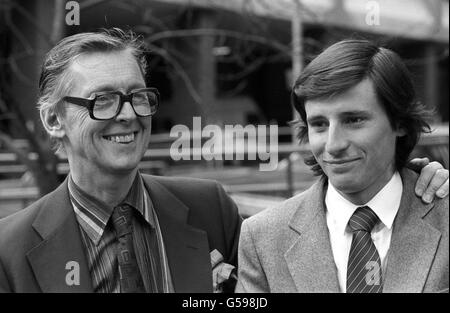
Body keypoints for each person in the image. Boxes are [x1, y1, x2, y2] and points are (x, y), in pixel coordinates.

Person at [0, 29, 241, 293]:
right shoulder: (9, 251)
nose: (128, 114)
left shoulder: (211, 210)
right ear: (54, 120)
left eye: (137, 96)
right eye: (102, 100)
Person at [236, 40, 449, 293]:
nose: (333, 144)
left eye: (354, 120)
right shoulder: (262, 237)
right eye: (319, 124)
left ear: (400, 123)